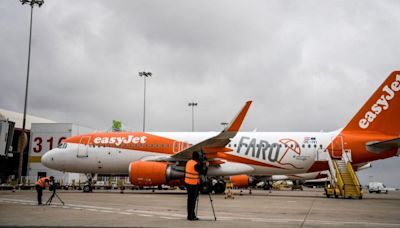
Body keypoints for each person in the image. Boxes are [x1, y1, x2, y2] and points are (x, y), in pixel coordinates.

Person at [185, 151, 202, 221]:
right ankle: (191, 216)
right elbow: (203, 172)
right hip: (193, 184)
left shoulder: (189, 162)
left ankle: (190, 215)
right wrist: (206, 166)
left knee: (190, 201)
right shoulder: (196, 164)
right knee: (193, 201)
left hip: (188, 183)